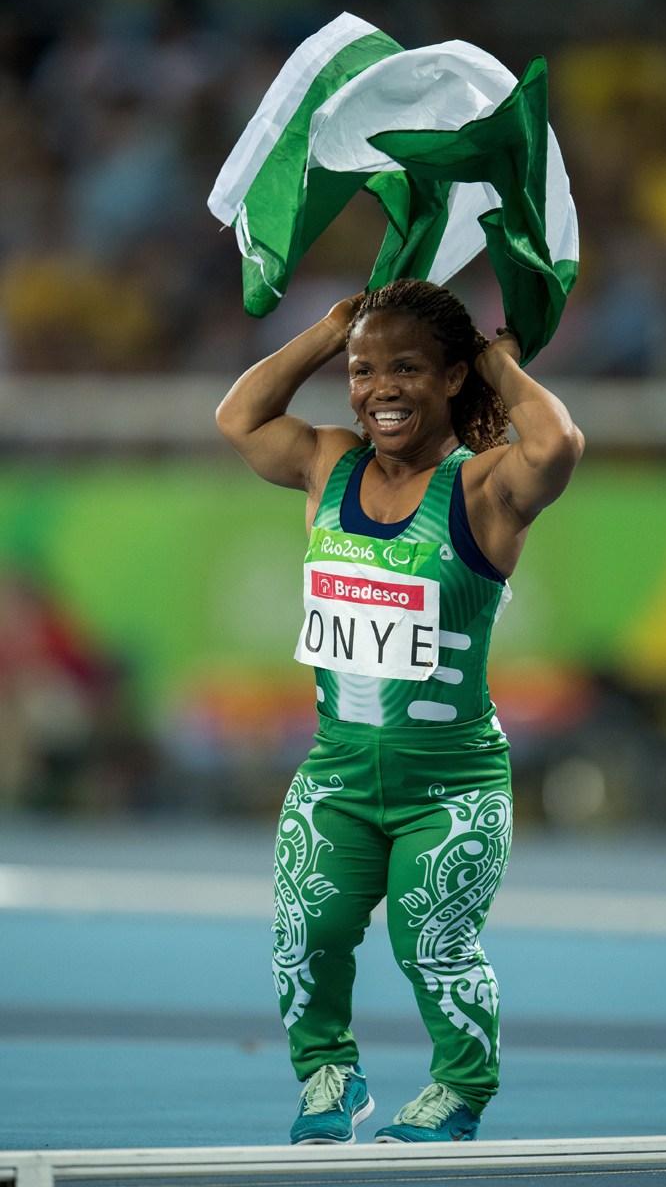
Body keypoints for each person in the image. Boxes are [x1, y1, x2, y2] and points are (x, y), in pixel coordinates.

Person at [216, 279, 584, 1144]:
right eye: (362, 372)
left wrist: (496, 362)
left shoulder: (484, 489)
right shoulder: (326, 464)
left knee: (433, 946)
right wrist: (328, 332)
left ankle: (459, 1092)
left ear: (453, 378)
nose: (379, 389)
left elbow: (557, 440)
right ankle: (328, 1079)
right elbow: (237, 418)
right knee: (303, 933)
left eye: (407, 369)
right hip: (335, 778)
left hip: (450, 787)